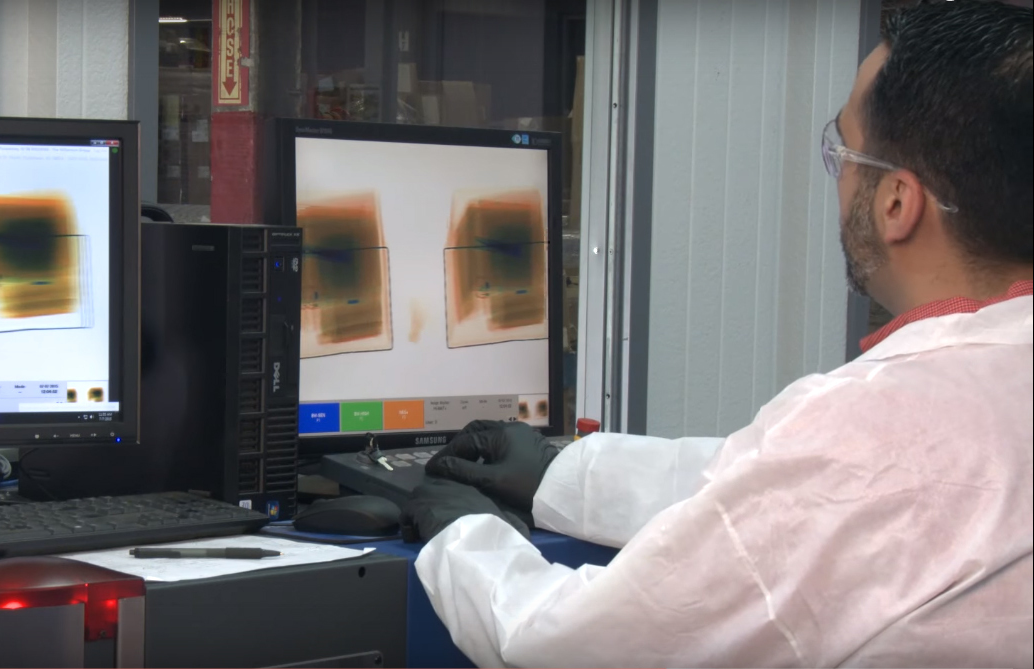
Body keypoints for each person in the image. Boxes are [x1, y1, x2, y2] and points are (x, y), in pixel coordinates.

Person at [401, 2, 1033, 666]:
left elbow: (568, 645)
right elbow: (764, 492)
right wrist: (562, 475)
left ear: (896, 203)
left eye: (842, 150)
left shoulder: (872, 432)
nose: (838, 175)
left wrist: (464, 539)